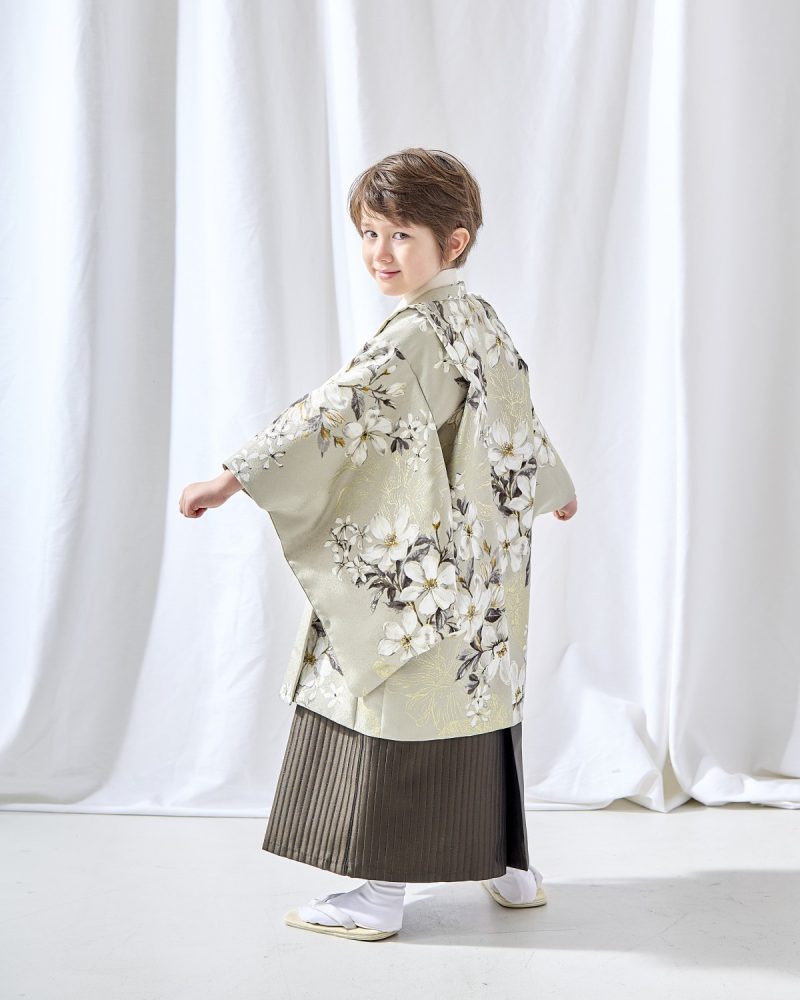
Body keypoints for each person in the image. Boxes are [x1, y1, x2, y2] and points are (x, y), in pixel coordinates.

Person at [179, 148, 577, 942]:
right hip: (486, 570)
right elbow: (515, 413)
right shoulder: (478, 318)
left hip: (434, 569)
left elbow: (336, 411)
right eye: (369, 233)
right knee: (481, 701)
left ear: (453, 243)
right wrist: (553, 483)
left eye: (401, 235)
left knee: (395, 699)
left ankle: (379, 895)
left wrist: (233, 476)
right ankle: (510, 868)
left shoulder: (416, 334)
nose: (380, 254)